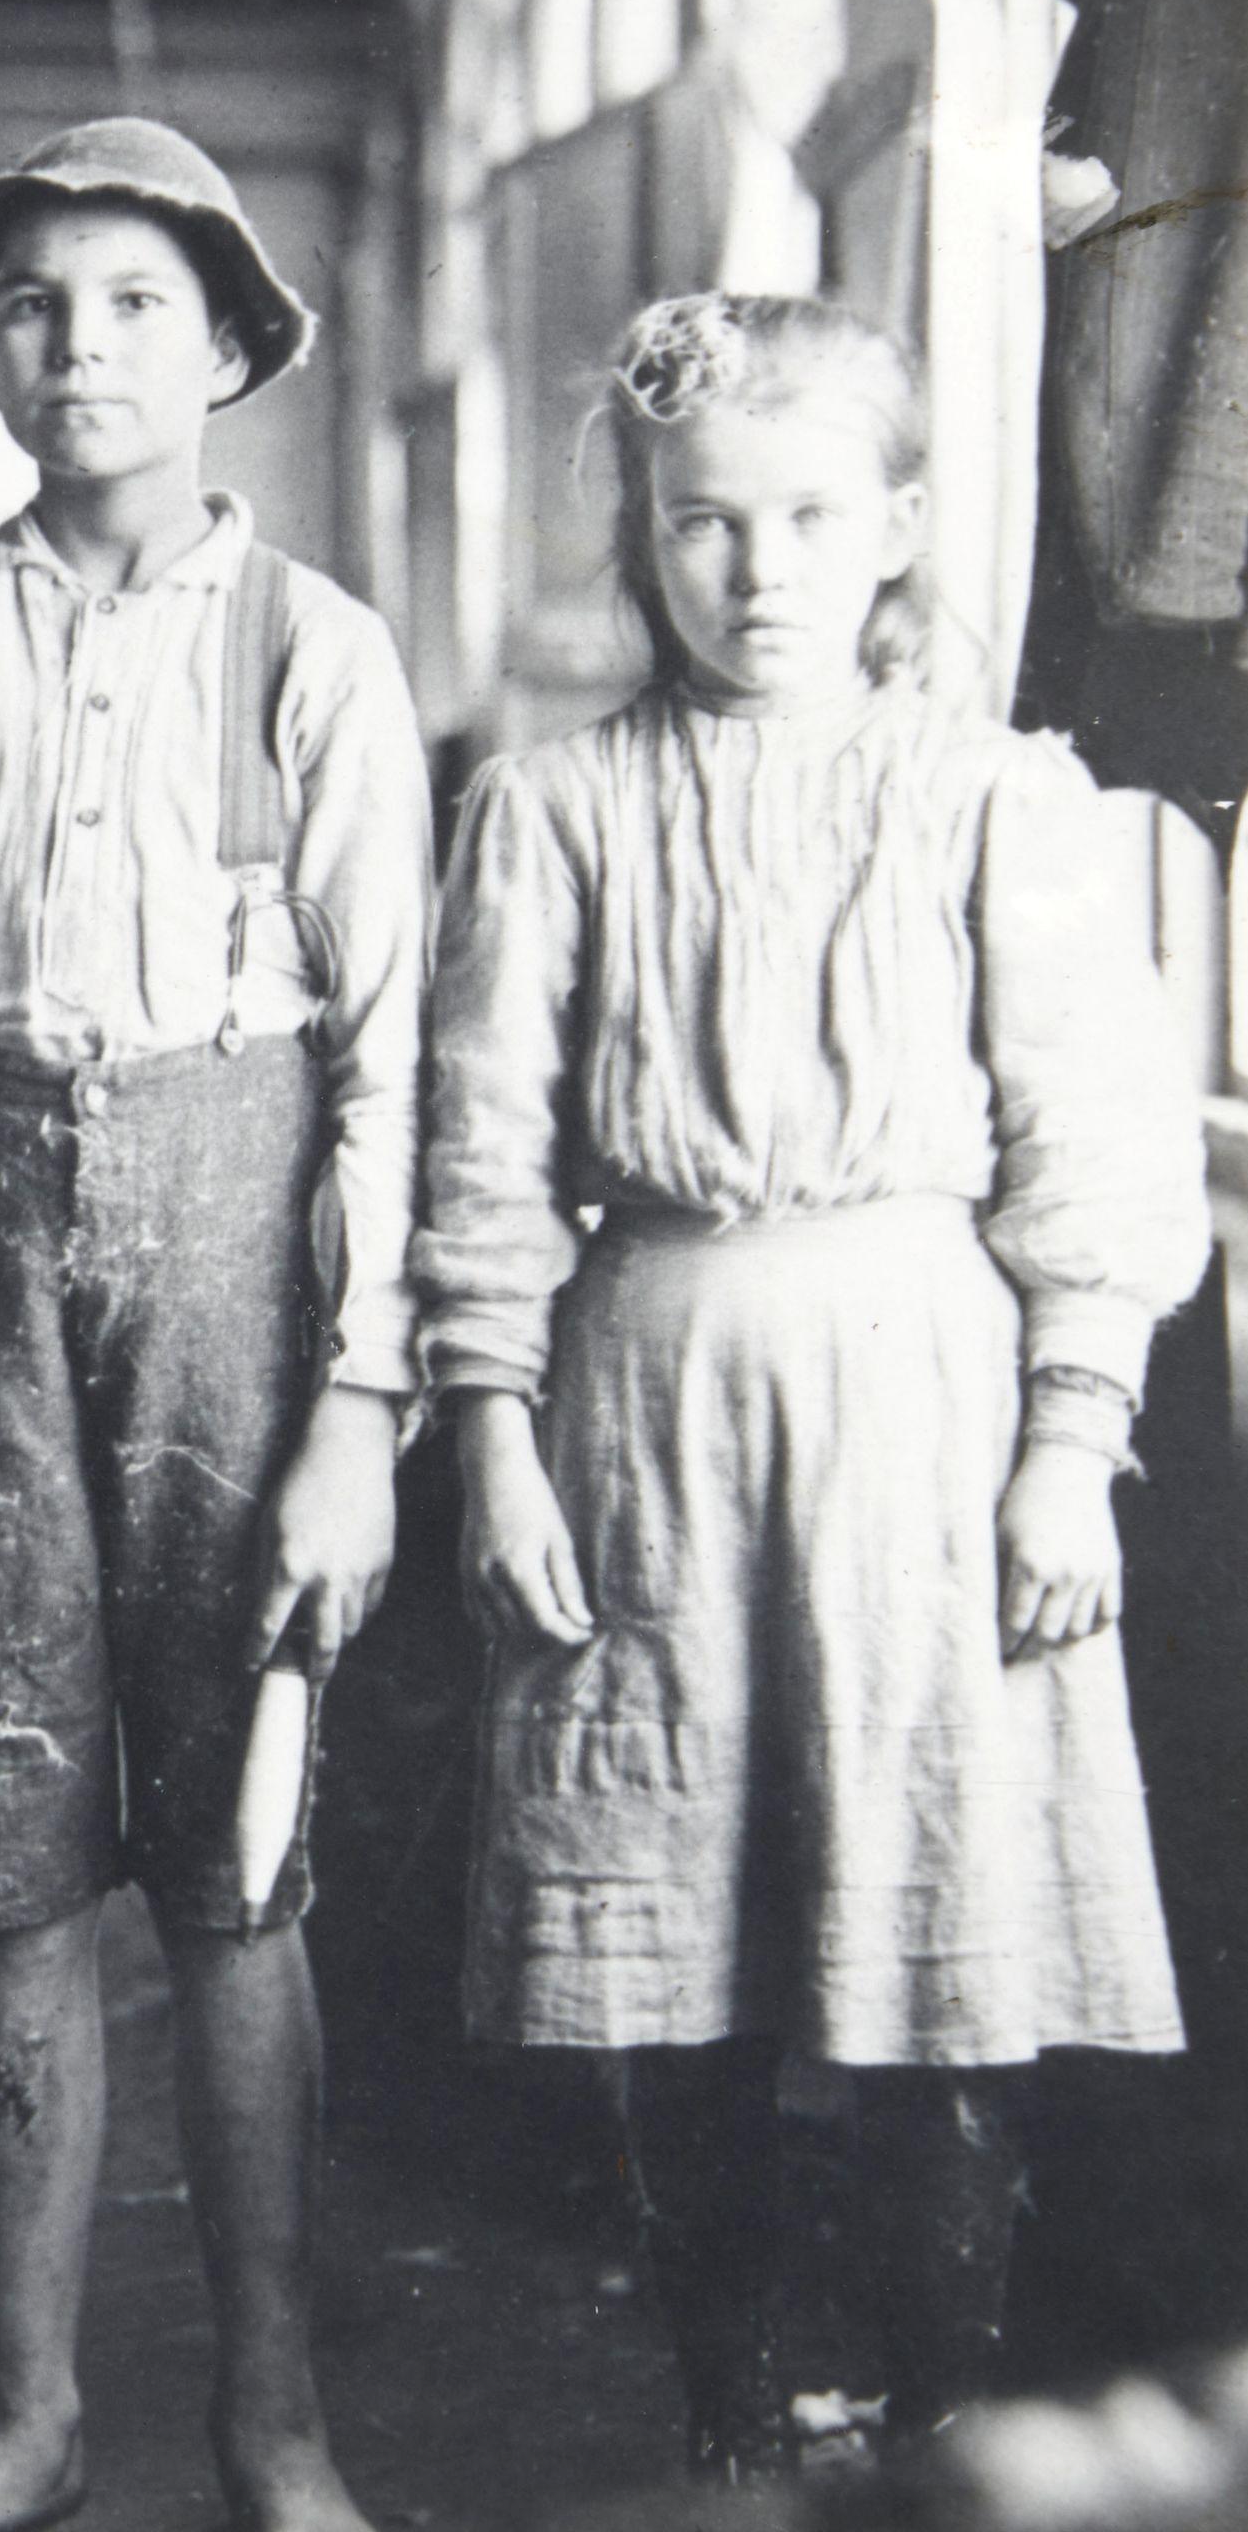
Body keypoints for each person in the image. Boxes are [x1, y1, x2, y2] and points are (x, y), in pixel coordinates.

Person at [417, 291, 1209, 2485]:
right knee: (673, 1950)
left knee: (939, 1935)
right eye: (703, 523)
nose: (756, 569)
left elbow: (1096, 1143)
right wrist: (490, 1435)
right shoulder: (550, 808)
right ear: (642, 542)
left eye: (806, 516)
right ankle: (736, 2422)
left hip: (926, 1405)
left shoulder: (998, 799)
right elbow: (478, 1151)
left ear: (896, 529)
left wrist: (1070, 1442)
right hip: (647, 1407)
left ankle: (939, 2429)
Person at [0, 118, 424, 2532]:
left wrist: (361, 1404)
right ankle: (24, 2411)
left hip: (246, 1267)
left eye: (138, 300)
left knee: (242, 1854)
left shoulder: (315, 649)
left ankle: (273, 2412)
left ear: (228, 346)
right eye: (35, 303)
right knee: (14, 1841)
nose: (82, 344)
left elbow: (397, 1062)